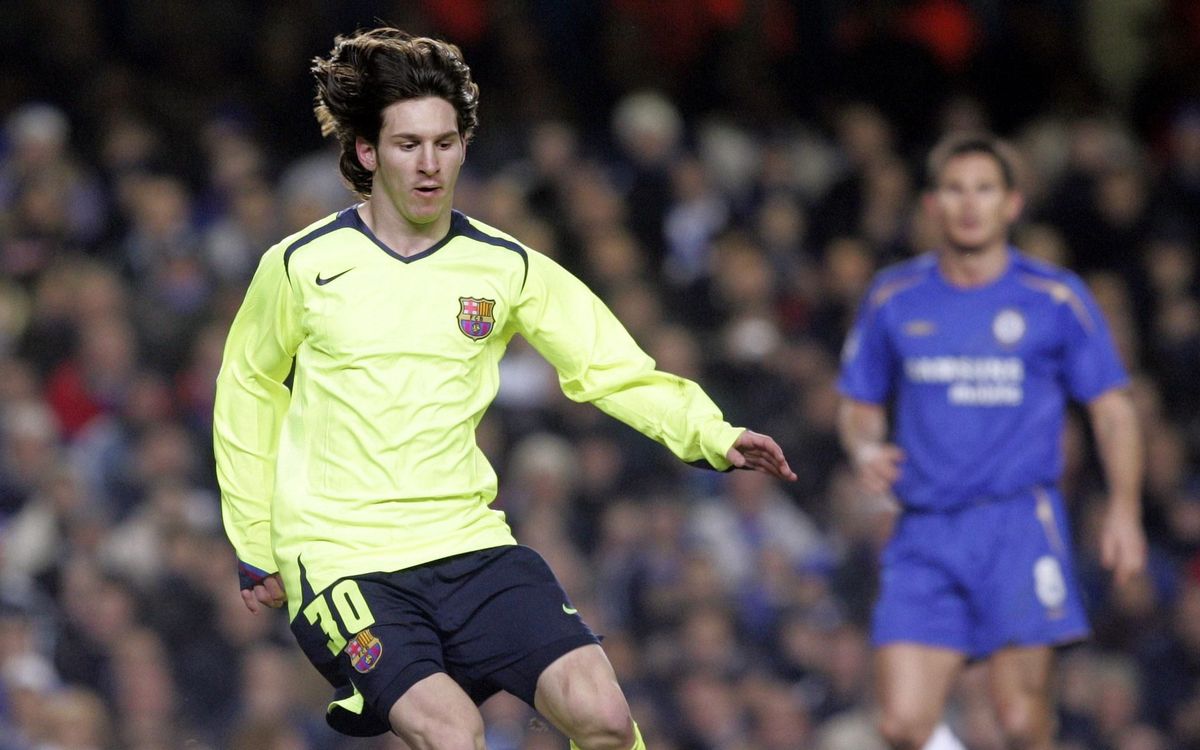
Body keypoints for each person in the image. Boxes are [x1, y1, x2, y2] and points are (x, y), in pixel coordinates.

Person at [212, 27, 796, 750]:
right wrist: (255, 538)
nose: (429, 164)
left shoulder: (504, 266)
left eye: (445, 143)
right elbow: (247, 386)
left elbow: (608, 365)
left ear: (464, 147)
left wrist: (710, 433)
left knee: (605, 718)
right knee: (453, 733)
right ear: (366, 152)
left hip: (468, 541)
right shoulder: (301, 264)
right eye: (407, 144)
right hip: (341, 557)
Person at [836, 133, 1146, 750]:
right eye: (954, 189)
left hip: (1018, 525)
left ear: (1012, 203)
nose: (969, 204)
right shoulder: (894, 297)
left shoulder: (1054, 298)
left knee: (1022, 724)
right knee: (901, 724)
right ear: (932, 204)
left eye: (984, 189)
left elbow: (1112, 410)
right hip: (924, 528)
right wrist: (866, 448)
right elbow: (859, 402)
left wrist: (1124, 508)